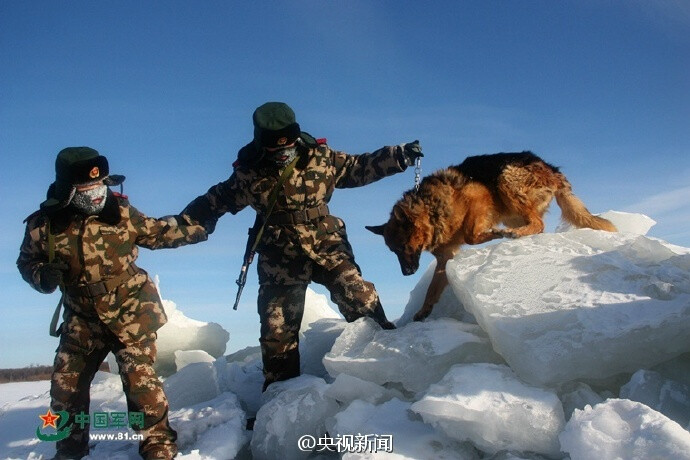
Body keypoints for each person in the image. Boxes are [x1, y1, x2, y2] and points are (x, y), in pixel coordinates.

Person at [182, 102, 423, 390]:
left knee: (360, 298)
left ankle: (390, 373)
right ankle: (280, 398)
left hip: (326, 244)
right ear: (262, 144)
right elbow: (215, 201)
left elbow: (359, 167)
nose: (283, 151)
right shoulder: (248, 173)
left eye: (289, 144)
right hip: (278, 256)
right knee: (277, 331)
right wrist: (183, 224)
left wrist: (399, 155)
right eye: (275, 148)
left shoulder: (320, 156)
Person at [17, 147, 208, 460]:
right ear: (67, 190)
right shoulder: (43, 225)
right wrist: (42, 275)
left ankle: (158, 447)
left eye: (101, 184)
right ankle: (70, 450)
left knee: (140, 383)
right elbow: (27, 261)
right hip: (82, 319)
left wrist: (200, 228)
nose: (96, 193)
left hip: (131, 310)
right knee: (65, 389)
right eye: (87, 188)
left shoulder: (121, 211)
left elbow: (158, 233)